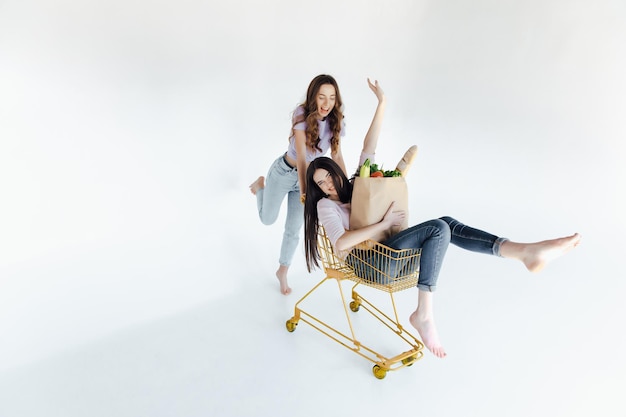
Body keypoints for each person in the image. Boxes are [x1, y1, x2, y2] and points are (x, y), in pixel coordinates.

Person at [303, 78, 582, 358]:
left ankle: (523, 251)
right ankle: (424, 313)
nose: (327, 185)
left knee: (446, 223)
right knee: (438, 228)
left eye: (329, 177)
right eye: (320, 184)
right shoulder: (326, 206)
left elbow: (369, 147)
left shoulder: (359, 189)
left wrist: (382, 103)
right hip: (370, 263)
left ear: (337, 173)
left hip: (390, 252)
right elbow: (340, 244)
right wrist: (383, 224)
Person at [250, 74, 348, 295]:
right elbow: (303, 158)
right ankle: (260, 187)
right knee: (267, 219)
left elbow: (337, 156)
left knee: (294, 229)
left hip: (309, 178)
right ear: (314, 97)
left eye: (332, 98)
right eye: (322, 97)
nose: (326, 103)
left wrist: (346, 185)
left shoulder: (337, 121)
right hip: (285, 172)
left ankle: (282, 270)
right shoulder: (301, 114)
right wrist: (305, 192)